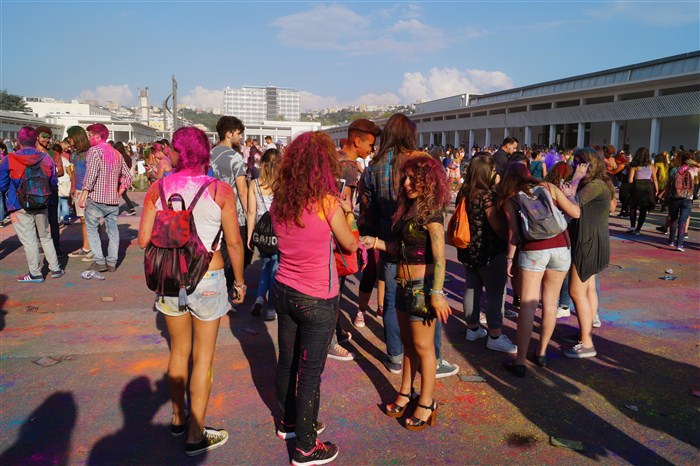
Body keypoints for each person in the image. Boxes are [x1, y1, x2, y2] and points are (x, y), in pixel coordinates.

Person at [138, 126, 245, 456]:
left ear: (177, 152)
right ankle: (196, 434)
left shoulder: (158, 188)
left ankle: (177, 417)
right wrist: (239, 281)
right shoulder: (220, 190)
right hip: (209, 276)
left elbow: (143, 240)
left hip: (171, 279)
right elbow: (234, 243)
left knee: (178, 352)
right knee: (204, 358)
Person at [271, 131, 357, 466]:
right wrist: (348, 212)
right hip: (317, 295)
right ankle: (306, 447)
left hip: (284, 288)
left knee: (287, 361)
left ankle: (289, 422)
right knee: (309, 372)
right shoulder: (327, 203)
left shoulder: (281, 201)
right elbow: (350, 243)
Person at [357, 113, 458, 378]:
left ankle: (395, 356)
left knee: (392, 301)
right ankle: (433, 359)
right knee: (426, 303)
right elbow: (437, 199)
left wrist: (372, 237)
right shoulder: (422, 161)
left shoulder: (374, 166)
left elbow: (366, 207)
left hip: (387, 239)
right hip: (419, 245)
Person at [361, 155, 451, 430]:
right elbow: (398, 249)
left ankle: (427, 401)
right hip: (402, 286)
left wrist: (437, 292)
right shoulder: (408, 210)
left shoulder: (432, 214)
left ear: (428, 182)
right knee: (408, 345)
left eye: (414, 179)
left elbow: (440, 258)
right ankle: (405, 392)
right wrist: (375, 242)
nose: (407, 183)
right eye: (406, 178)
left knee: (424, 348)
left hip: (422, 289)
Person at [499, 163, 583, 376]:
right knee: (550, 303)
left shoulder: (510, 200)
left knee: (528, 304)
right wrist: (570, 195)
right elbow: (575, 213)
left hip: (533, 250)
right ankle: (542, 352)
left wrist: (510, 259)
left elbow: (514, 233)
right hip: (560, 247)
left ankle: (520, 361)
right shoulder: (548, 187)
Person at [456, 153, 516, 353]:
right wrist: (508, 239)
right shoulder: (486, 195)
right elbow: (496, 225)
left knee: (472, 288)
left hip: (467, 249)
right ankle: (495, 335)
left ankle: (472, 328)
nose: (495, 173)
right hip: (489, 250)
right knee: (495, 294)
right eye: (493, 170)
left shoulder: (464, 191)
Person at [564, 148, 615, 359]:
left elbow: (572, 203)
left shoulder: (595, 185)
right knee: (589, 289)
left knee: (576, 291)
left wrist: (574, 180)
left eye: (579, 162)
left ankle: (587, 343)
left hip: (587, 242)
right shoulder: (600, 184)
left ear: (589, 165)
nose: (575, 165)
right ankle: (586, 333)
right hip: (593, 240)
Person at [0, 127, 63, 282]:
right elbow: (53, 182)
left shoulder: (9, 159)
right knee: (45, 236)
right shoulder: (46, 158)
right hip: (42, 202)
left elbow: (2, 185)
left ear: (18, 141)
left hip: (18, 205)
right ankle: (55, 269)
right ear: (35, 141)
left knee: (29, 240)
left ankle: (35, 273)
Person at [78, 123, 132, 273]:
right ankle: (112, 262)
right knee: (113, 232)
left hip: (96, 198)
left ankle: (99, 261)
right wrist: (119, 192)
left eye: (89, 136)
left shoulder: (94, 151)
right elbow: (128, 176)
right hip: (112, 200)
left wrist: (84, 194)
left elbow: (91, 174)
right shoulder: (117, 153)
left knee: (92, 230)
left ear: (97, 136)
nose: (88, 139)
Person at [210, 116, 252, 285]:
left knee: (218, 251)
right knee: (241, 253)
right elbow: (242, 190)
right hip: (235, 213)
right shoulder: (235, 157)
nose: (241, 137)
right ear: (229, 134)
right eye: (238, 133)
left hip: (213, 210)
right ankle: (232, 286)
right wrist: (250, 215)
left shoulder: (209, 154)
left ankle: (219, 284)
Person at [246, 148, 279, 321]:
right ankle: (271, 307)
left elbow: (251, 212)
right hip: (278, 232)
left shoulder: (255, 184)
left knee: (266, 266)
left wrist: (249, 236)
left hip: (261, 232)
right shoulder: (282, 184)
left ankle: (259, 299)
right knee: (275, 269)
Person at [66, 126, 94, 261]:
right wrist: (72, 187)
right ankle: (86, 247)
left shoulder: (90, 153)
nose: (69, 140)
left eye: (70, 137)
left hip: (89, 190)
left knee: (91, 220)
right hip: (78, 190)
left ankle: (93, 248)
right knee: (83, 219)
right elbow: (74, 172)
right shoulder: (75, 154)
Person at [36, 126, 65, 255]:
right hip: (35, 193)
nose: (46, 140)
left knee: (53, 221)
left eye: (49, 137)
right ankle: (41, 245)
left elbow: (61, 171)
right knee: (38, 221)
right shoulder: (31, 152)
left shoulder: (54, 154)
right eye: (44, 136)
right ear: (37, 137)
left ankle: (56, 247)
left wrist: (47, 174)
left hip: (51, 191)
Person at [666, 151, 696, 252]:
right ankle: (679, 244)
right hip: (687, 199)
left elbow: (668, 184)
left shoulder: (674, 170)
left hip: (674, 197)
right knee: (683, 221)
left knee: (673, 219)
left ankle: (671, 241)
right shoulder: (693, 170)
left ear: (680, 159)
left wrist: (665, 196)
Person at [626, 147, 657, 235]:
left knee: (633, 207)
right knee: (643, 209)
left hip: (637, 186)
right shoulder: (651, 166)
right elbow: (655, 179)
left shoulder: (634, 166)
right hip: (648, 186)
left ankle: (632, 226)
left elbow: (630, 180)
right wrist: (656, 190)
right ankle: (638, 230)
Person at [113, 142, 137, 215]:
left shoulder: (119, 157)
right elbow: (129, 167)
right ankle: (131, 208)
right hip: (124, 179)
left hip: (119, 179)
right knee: (123, 195)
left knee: (116, 194)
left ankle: (115, 210)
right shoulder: (127, 157)